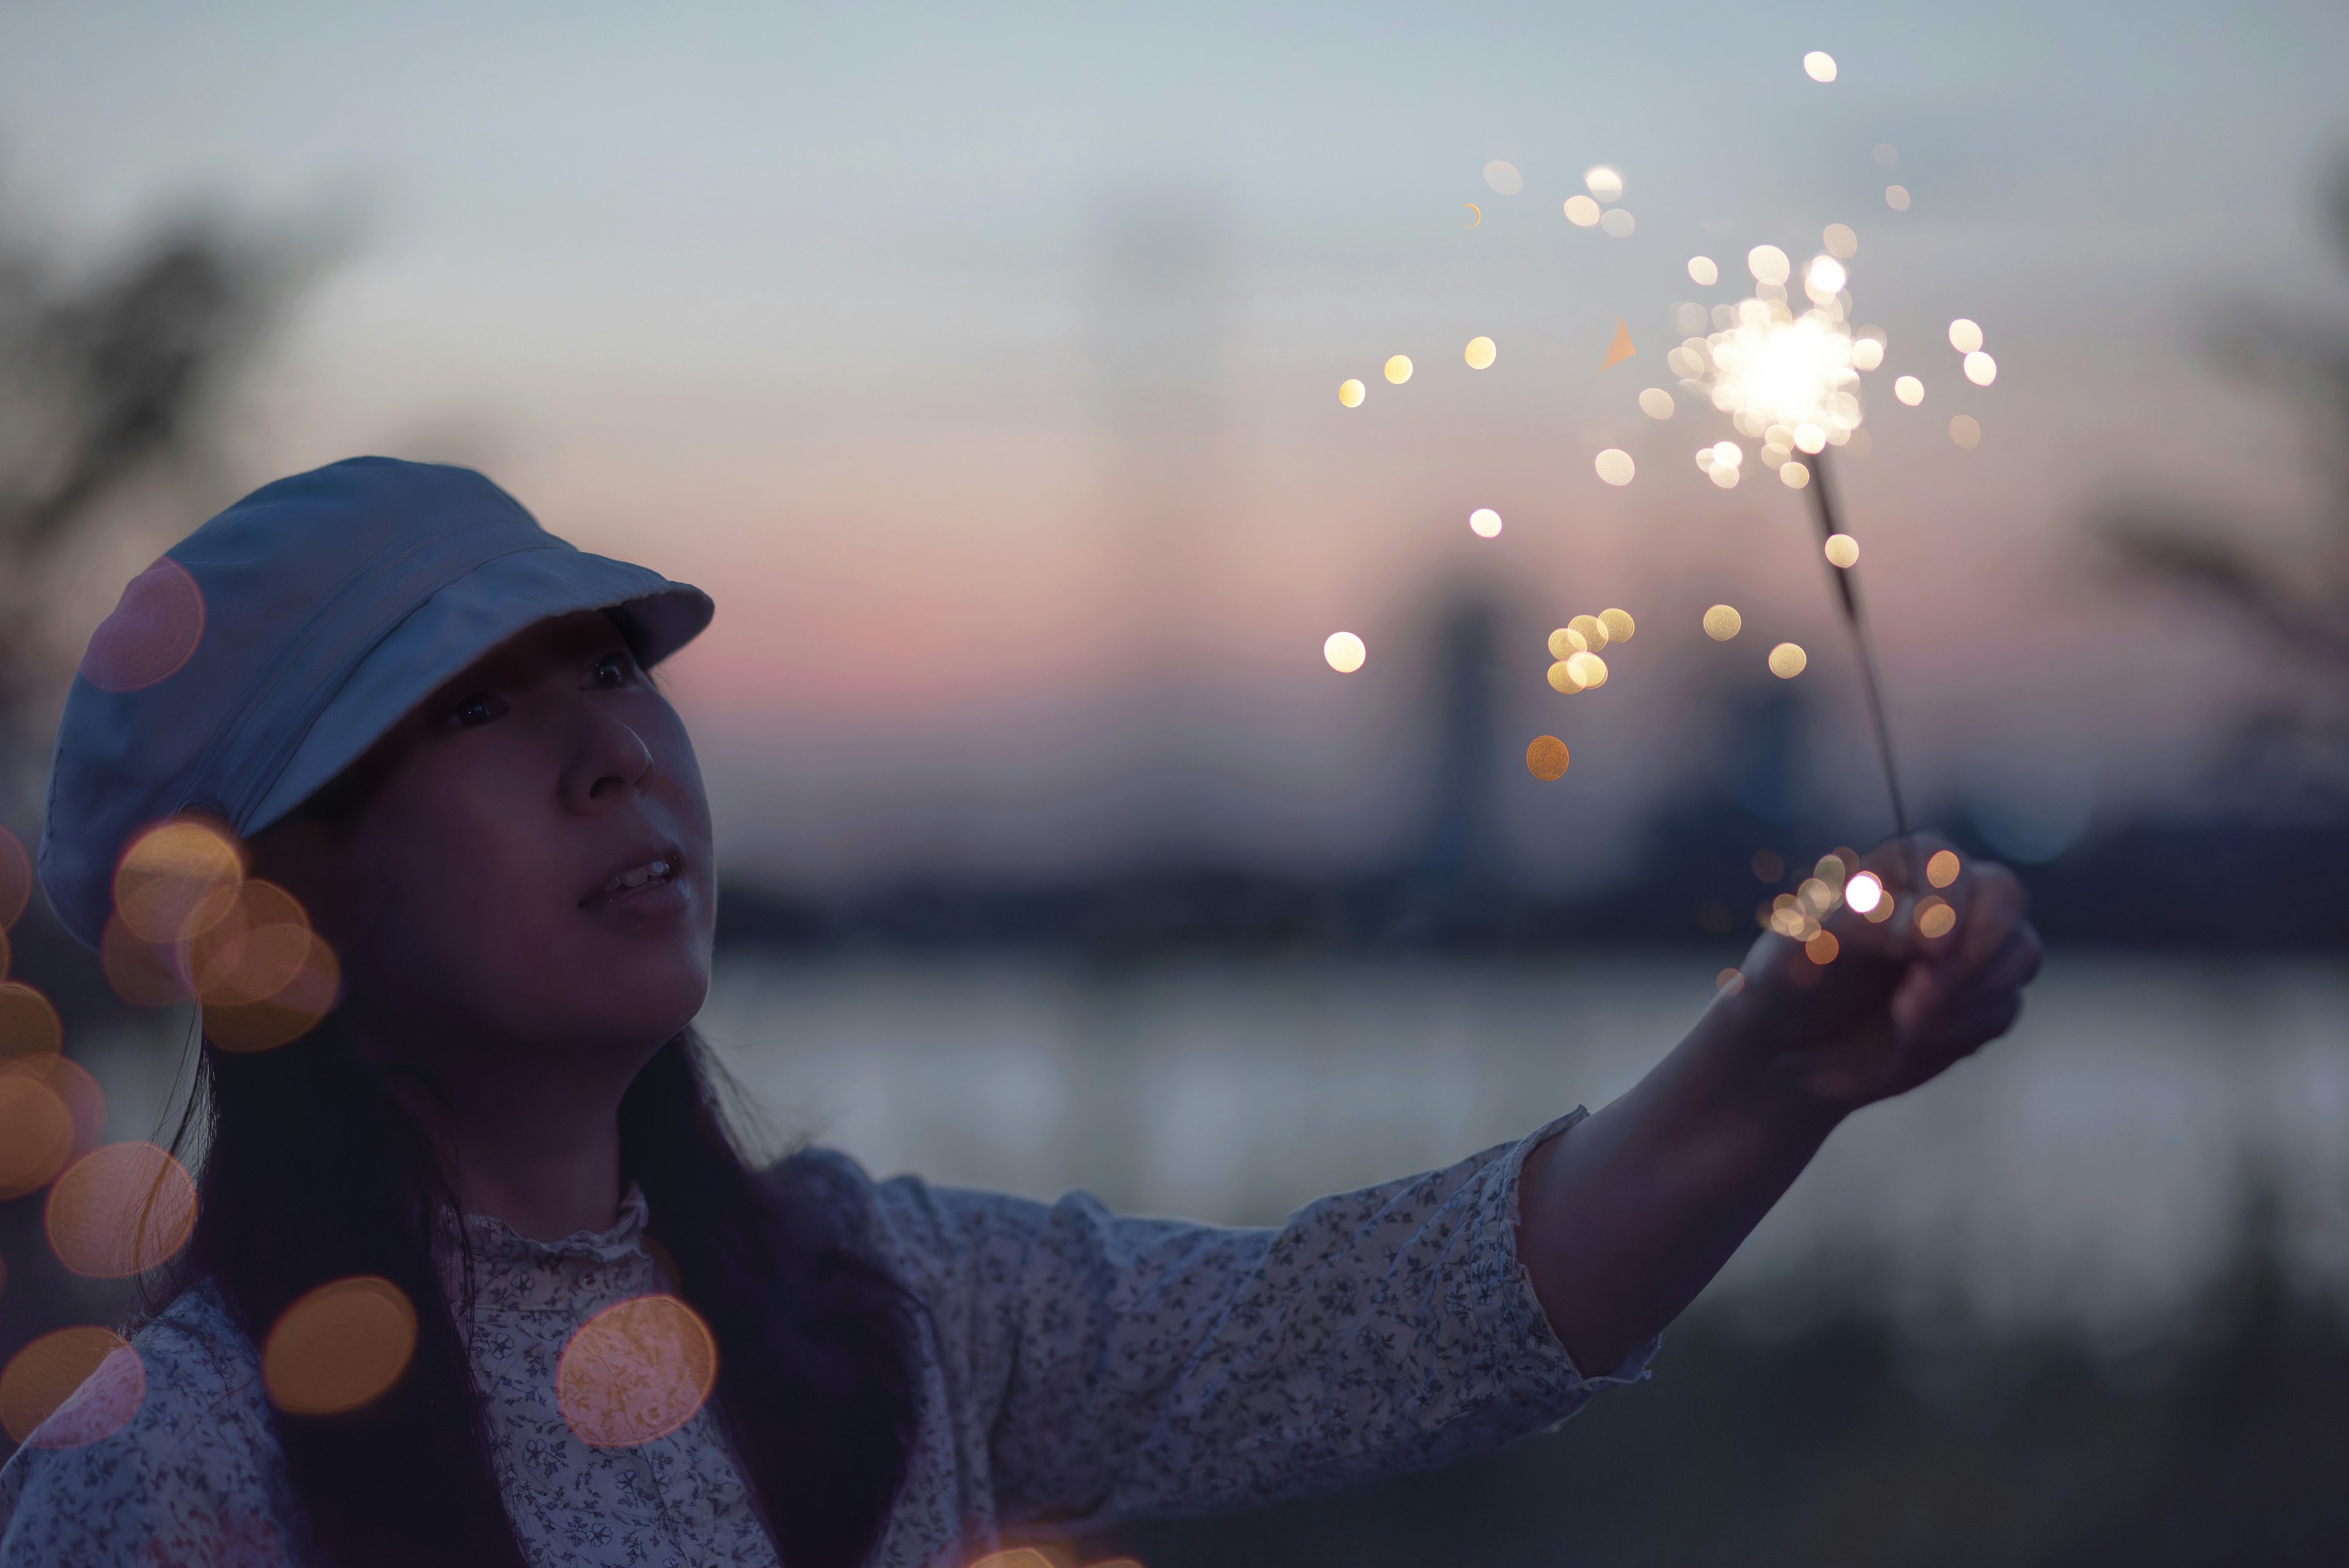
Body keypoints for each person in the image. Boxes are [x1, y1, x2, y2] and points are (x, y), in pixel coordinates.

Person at [0, 458, 2040, 1568]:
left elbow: (1368, 1329)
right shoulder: (163, 1471)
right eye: (468, 709)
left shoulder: (874, 1304)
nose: (613, 751)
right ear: (277, 906)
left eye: (614, 670)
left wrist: (1775, 1070)